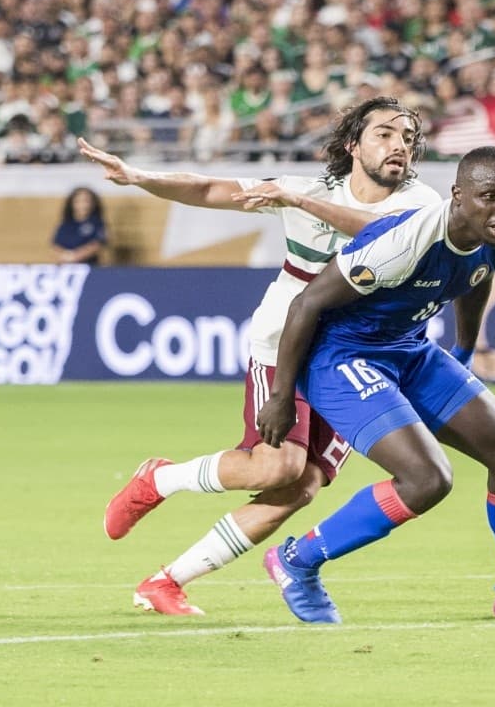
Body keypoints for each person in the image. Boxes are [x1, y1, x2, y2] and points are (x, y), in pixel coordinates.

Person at [86, 97, 440, 616]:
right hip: (286, 344)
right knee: (276, 467)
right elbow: (208, 188)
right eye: (385, 134)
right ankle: (159, 479)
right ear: (353, 145)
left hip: (356, 357)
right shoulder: (302, 190)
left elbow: (373, 230)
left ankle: (166, 581)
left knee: (302, 486)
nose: (399, 146)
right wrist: (140, 176)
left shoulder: (421, 205)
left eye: (408, 138)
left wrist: (297, 203)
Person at [257, 145, 495, 624]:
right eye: (491, 196)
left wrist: (463, 350)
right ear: (458, 196)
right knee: (427, 480)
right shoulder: (404, 242)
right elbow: (306, 306)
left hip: (409, 351)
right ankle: (296, 561)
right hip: (340, 356)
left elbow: (478, 275)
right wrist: (283, 398)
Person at [51, 186, 107, 265]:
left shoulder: (96, 223)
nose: (82, 205)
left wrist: (75, 257)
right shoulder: (65, 224)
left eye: (86, 201)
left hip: (89, 267)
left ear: (93, 203)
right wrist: (64, 256)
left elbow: (96, 245)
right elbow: (55, 245)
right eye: (78, 201)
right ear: (72, 203)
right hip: (66, 267)